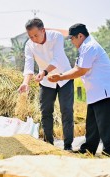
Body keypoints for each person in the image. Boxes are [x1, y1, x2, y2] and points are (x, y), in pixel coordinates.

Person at [48, 24, 110, 156]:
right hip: (95, 93)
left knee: (105, 126)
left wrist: (61, 77)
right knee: (92, 125)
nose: (71, 41)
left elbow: (80, 70)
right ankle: (88, 150)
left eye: (72, 38)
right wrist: (61, 76)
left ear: (80, 36)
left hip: (103, 93)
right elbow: (77, 67)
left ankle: (108, 152)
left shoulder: (89, 47)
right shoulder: (85, 48)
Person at [18, 18, 74, 150]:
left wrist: (44, 71)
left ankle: (68, 146)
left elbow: (58, 58)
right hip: (46, 82)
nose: (33, 39)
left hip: (64, 77)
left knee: (66, 111)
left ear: (43, 30)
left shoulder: (56, 36)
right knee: (46, 112)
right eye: (30, 36)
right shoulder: (29, 45)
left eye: (36, 35)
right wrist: (25, 82)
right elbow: (29, 65)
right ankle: (49, 145)